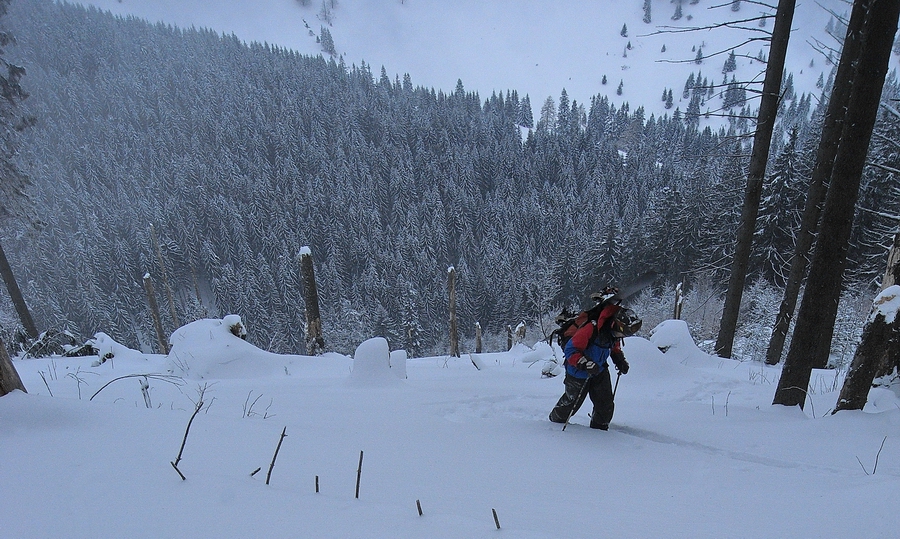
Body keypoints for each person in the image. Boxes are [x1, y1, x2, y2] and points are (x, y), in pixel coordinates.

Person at [549, 288, 639, 430]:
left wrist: (619, 359)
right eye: (621, 334)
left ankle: (599, 430)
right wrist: (585, 363)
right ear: (616, 325)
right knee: (571, 404)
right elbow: (570, 350)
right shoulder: (591, 328)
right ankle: (554, 423)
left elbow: (613, 345)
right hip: (578, 371)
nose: (621, 337)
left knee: (605, 403)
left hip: (599, 369)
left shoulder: (611, 331)